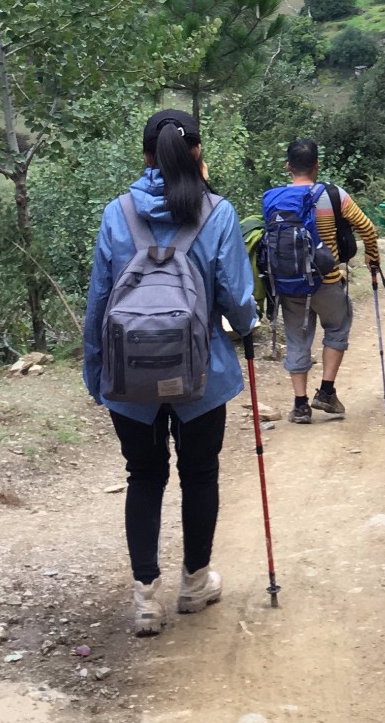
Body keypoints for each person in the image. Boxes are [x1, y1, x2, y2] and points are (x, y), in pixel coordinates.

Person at [83, 109, 257, 636]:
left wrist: (98, 372)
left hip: (130, 381)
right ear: (198, 156)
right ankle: (194, 583)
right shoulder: (219, 213)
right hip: (202, 375)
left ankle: (145, 599)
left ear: (146, 158)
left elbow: (98, 301)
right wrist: (247, 327)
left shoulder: (117, 214)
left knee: (145, 476)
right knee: (199, 474)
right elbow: (237, 300)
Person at [267, 137, 381, 423]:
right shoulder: (333, 195)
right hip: (328, 281)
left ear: (288, 167)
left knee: (297, 340)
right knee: (337, 328)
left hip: (291, 284)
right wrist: (372, 257)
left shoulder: (275, 199)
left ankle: (300, 405)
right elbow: (367, 227)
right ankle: (327, 393)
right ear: (317, 165)